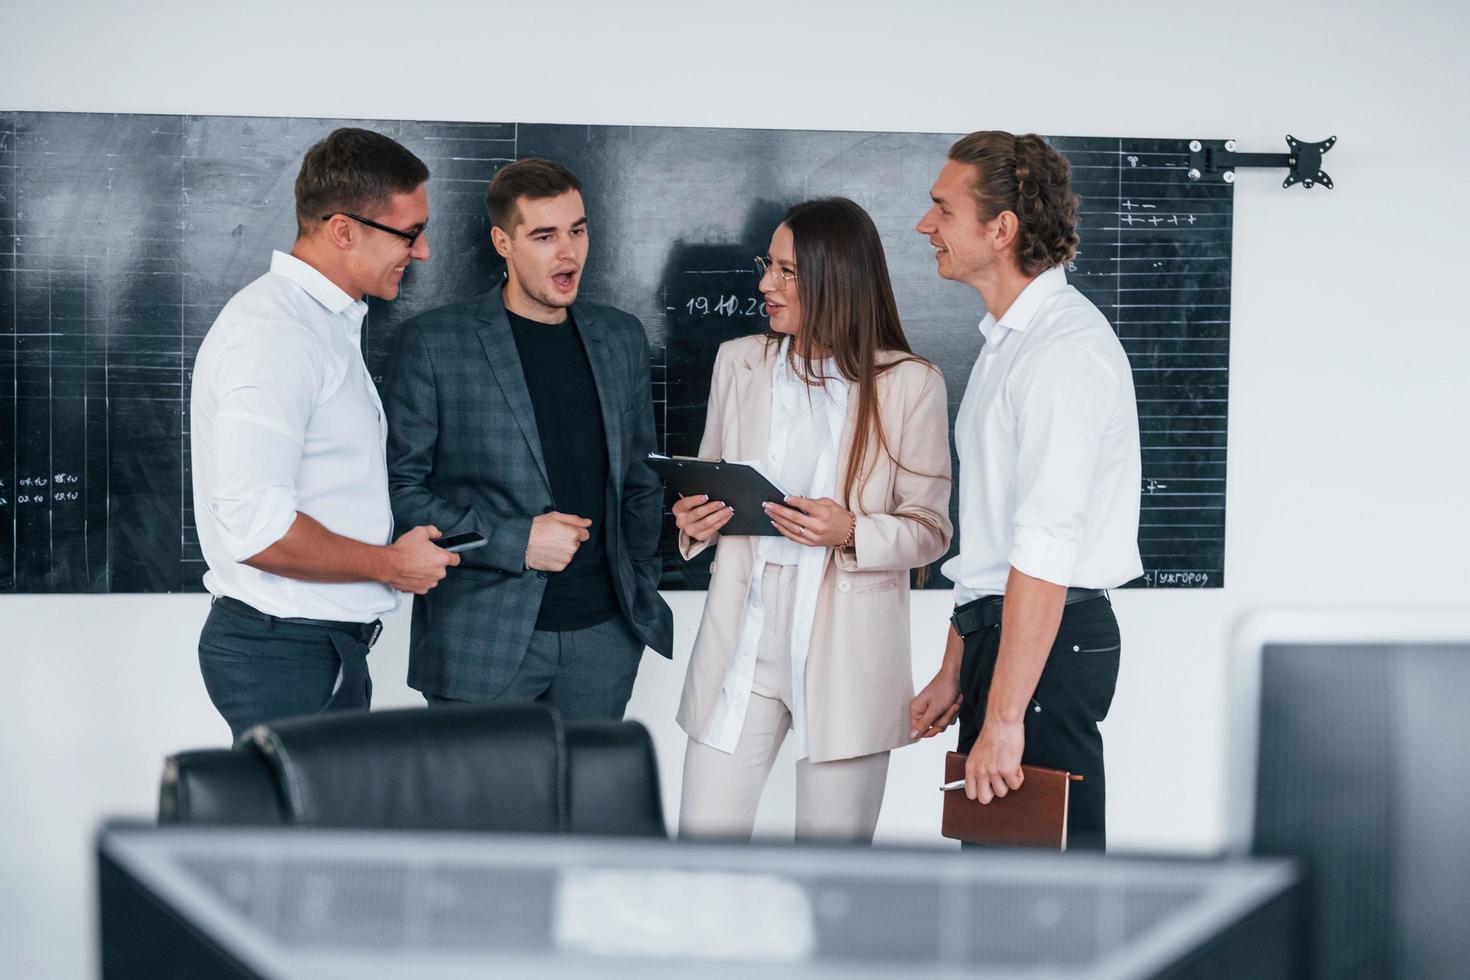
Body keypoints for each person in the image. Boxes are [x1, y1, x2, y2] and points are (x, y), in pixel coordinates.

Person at [674, 197, 953, 842]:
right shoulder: (739, 362)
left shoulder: (911, 383)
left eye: (788, 271)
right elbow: (708, 481)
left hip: (847, 648)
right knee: (700, 849)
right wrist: (696, 518)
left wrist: (849, 531)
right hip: (743, 640)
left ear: (838, 277)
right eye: (766, 266)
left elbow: (932, 530)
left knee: (833, 868)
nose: (766, 284)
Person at [909, 131, 1143, 851]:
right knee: (996, 888)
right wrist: (956, 666)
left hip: (1047, 646)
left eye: (943, 211)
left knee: (1046, 902)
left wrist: (1007, 718)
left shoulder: (1060, 352)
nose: (926, 227)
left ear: (1000, 229)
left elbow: (1045, 546)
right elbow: (992, 539)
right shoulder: (1009, 344)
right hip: (1009, 639)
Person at [191, 127, 458, 740]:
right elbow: (258, 531)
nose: (422, 253)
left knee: (315, 834)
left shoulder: (319, 324)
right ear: (344, 229)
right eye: (410, 233)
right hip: (285, 652)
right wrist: (391, 564)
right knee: (299, 835)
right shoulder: (277, 337)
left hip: (308, 649)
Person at [382, 158, 673, 718]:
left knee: (591, 807)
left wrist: (635, 586)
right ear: (503, 242)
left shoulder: (620, 337)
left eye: (577, 230)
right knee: (485, 809)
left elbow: (641, 480)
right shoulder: (435, 344)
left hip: (603, 640)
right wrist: (515, 541)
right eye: (545, 236)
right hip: (479, 645)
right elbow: (399, 493)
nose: (568, 252)